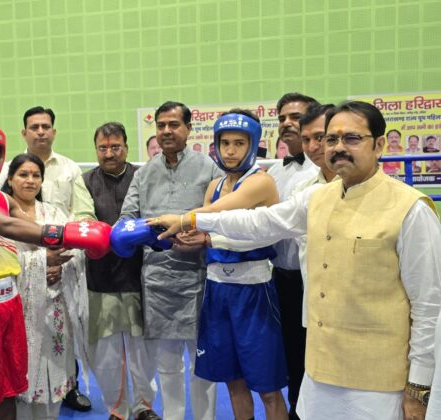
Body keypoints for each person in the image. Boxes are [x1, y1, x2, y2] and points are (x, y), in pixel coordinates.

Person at [149, 101, 441, 420]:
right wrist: (190, 219)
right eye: (332, 139)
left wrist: (418, 389)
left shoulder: (411, 209)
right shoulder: (316, 196)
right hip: (321, 369)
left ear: (379, 145)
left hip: (379, 380)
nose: (338, 147)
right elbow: (260, 222)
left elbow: (428, 307)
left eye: (352, 138)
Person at [0, 120, 109, 420]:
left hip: (11, 301)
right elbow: (6, 226)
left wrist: (84, 238)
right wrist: (68, 234)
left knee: (9, 390)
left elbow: (33, 229)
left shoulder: (3, 199)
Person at [119, 101, 222, 420]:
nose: (166, 131)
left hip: (199, 277)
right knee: (167, 364)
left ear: (188, 129)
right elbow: (126, 219)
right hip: (158, 280)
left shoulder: (209, 169)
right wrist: (149, 235)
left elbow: (227, 216)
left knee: (202, 362)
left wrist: (202, 237)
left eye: (174, 124)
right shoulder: (144, 173)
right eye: (161, 125)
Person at [194, 110, 288, 420]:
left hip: (254, 291)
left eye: (239, 143)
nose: (231, 151)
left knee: (268, 387)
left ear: (253, 145)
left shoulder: (261, 182)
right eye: (225, 143)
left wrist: (182, 222)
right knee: (233, 380)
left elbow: (211, 222)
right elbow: (204, 232)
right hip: (217, 290)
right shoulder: (214, 185)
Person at [0, 106, 91, 410]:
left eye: (36, 175)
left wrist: (61, 268)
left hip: (55, 304)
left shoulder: (54, 213)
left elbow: (75, 248)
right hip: (18, 305)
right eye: (23, 175)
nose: (30, 181)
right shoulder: (0, 217)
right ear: (10, 179)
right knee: (23, 383)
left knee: (55, 384)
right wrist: (41, 264)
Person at [73, 122, 160, 420]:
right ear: (96, 149)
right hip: (100, 277)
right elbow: (84, 219)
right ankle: (117, 409)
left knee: (143, 351)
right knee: (106, 352)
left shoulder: (143, 176)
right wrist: (105, 236)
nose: (109, 153)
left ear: (126, 147)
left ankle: (144, 407)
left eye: (115, 147)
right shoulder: (85, 181)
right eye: (103, 148)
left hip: (141, 276)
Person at [266, 92, 319, 419]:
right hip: (279, 278)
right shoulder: (273, 172)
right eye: (282, 118)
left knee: (314, 355)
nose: (287, 123)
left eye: (295, 117)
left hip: (314, 280)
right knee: (287, 353)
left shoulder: (325, 171)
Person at [292, 104, 337, 328]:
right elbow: (266, 225)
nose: (312, 147)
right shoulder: (303, 191)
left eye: (320, 137)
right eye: (306, 139)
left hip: (359, 313)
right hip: (314, 308)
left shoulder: (374, 191)